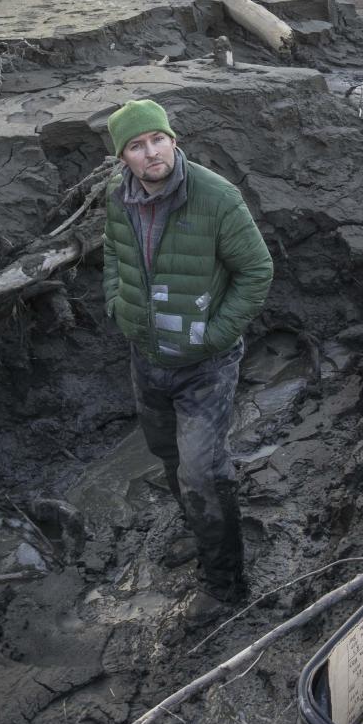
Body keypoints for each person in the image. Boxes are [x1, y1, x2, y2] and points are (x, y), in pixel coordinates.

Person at [102, 97, 273, 601]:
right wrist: (118, 305)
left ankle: (226, 583)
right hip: (147, 358)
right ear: (124, 159)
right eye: (137, 145)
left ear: (174, 140)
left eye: (158, 139)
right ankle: (200, 534)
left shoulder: (217, 197)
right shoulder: (119, 200)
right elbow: (113, 255)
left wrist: (215, 336)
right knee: (168, 457)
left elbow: (256, 270)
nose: (151, 152)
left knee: (202, 471)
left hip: (206, 366)